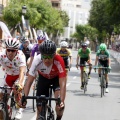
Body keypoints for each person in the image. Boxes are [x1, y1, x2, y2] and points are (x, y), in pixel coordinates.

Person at [20, 40, 66, 120]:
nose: (47, 60)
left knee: (59, 105)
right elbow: (29, 81)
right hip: (43, 79)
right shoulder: (37, 60)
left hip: (56, 79)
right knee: (39, 108)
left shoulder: (59, 60)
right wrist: (25, 98)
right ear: (41, 55)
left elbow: (62, 84)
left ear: (54, 55)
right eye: (44, 57)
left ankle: (58, 118)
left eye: (49, 57)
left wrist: (61, 100)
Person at [0, 38, 26, 119]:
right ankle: (6, 108)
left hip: (18, 76)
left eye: (13, 50)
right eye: (9, 50)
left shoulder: (21, 55)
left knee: (16, 89)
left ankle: (19, 110)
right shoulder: (1, 55)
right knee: (2, 96)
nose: (10, 52)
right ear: (6, 49)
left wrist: (20, 83)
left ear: (17, 50)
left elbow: (22, 71)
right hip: (8, 75)